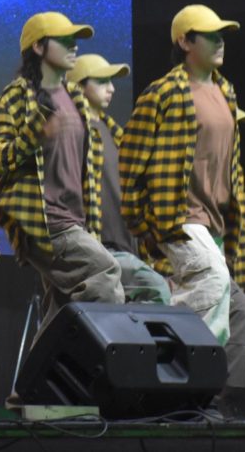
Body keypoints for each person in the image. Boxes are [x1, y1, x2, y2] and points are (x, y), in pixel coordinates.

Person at [119, 4, 245, 415]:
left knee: (241, 311)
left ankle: (216, 398)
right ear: (184, 41)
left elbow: (232, 172)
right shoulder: (162, 93)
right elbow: (130, 161)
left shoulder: (226, 92)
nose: (220, 42)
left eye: (222, 35)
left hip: (213, 223)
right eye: (210, 35)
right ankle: (183, 389)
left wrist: (244, 255)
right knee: (211, 283)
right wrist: (146, 223)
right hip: (179, 218)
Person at [0, 12, 123, 332]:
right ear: (38, 47)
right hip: (43, 220)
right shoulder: (16, 97)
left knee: (60, 309)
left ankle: (43, 365)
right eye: (64, 40)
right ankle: (90, 356)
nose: (74, 46)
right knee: (105, 275)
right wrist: (33, 135)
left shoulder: (75, 97)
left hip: (74, 219)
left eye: (75, 40)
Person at [68, 53, 169, 304]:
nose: (111, 88)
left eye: (111, 82)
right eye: (102, 81)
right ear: (79, 85)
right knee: (156, 290)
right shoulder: (75, 132)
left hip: (127, 246)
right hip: (100, 247)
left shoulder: (115, 134)